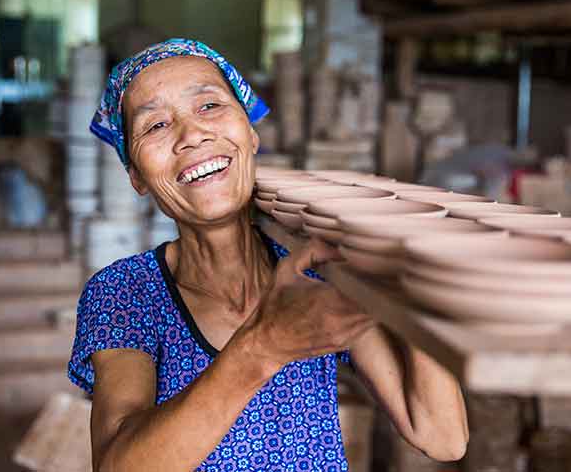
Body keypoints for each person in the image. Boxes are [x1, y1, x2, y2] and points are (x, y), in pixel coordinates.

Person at [68, 38, 468, 471]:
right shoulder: (126, 292)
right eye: (156, 126)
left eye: (208, 106)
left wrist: (413, 278)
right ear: (136, 176)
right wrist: (261, 347)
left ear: (251, 132)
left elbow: (442, 438)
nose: (191, 135)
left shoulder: (316, 276)